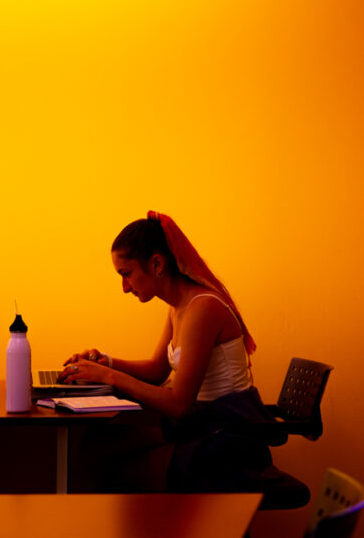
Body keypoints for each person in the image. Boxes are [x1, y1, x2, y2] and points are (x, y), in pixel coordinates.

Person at [63, 210, 274, 492]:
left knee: (104, 455)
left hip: (225, 435)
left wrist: (108, 377)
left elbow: (179, 404)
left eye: (126, 274)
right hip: (202, 422)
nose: (125, 288)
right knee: (95, 443)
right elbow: (156, 369)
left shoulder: (203, 308)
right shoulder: (178, 305)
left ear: (157, 264)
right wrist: (107, 363)